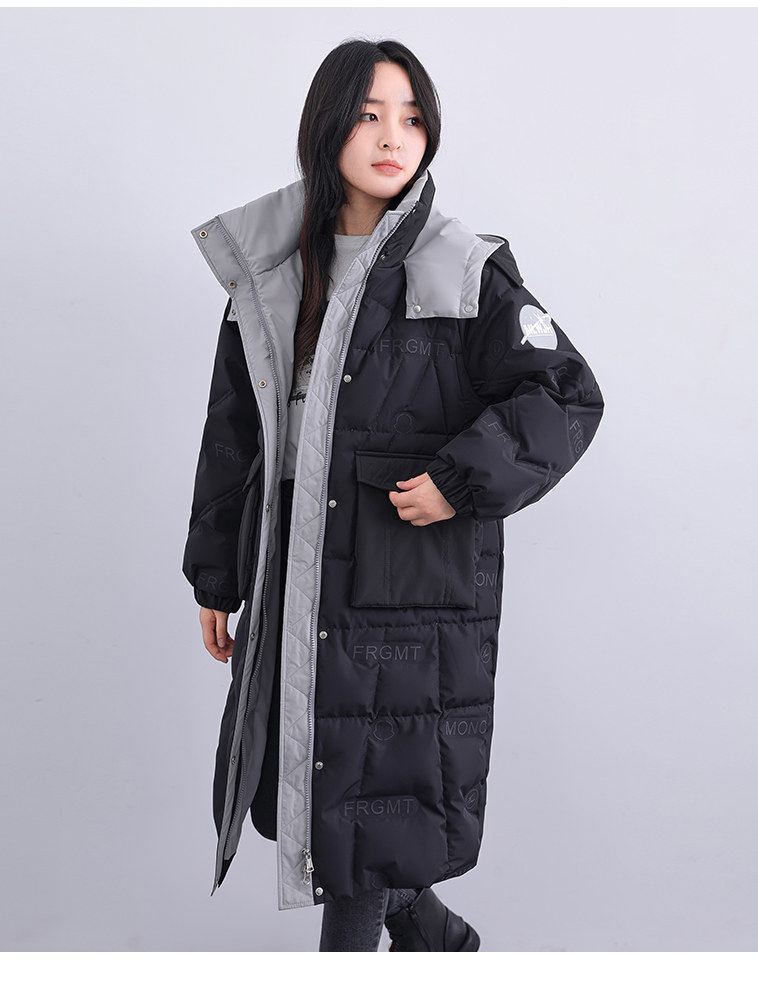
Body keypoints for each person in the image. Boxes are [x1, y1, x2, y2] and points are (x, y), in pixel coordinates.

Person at [182, 38, 605, 952]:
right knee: (316, 789)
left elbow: (565, 394)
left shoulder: (463, 267)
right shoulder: (269, 269)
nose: (392, 137)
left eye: (412, 118)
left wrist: (458, 480)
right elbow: (236, 433)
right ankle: (430, 931)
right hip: (295, 569)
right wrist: (217, 575)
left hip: (403, 585)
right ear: (327, 124)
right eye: (370, 114)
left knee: (362, 806)